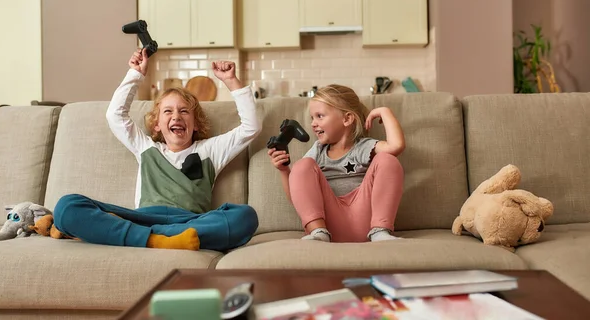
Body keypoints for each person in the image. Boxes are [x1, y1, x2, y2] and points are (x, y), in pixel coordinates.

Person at [53, 48, 262, 251]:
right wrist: (135, 74)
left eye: (184, 112)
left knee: (245, 216)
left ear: (196, 123)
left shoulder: (211, 150)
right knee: (66, 207)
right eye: (168, 111)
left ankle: (145, 238)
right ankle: (158, 240)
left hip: (190, 221)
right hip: (142, 219)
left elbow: (250, 127)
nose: (176, 117)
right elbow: (115, 116)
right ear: (157, 125)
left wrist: (231, 82)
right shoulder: (146, 147)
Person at [268, 84, 405, 243]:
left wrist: (384, 112)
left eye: (320, 116)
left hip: (366, 222)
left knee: (387, 159)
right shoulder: (317, 151)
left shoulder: (363, 147)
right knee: (302, 165)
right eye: (312, 118)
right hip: (328, 226)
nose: (313, 123)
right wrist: (284, 171)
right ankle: (317, 232)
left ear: (347, 119)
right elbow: (297, 199)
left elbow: (396, 146)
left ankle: (381, 231)